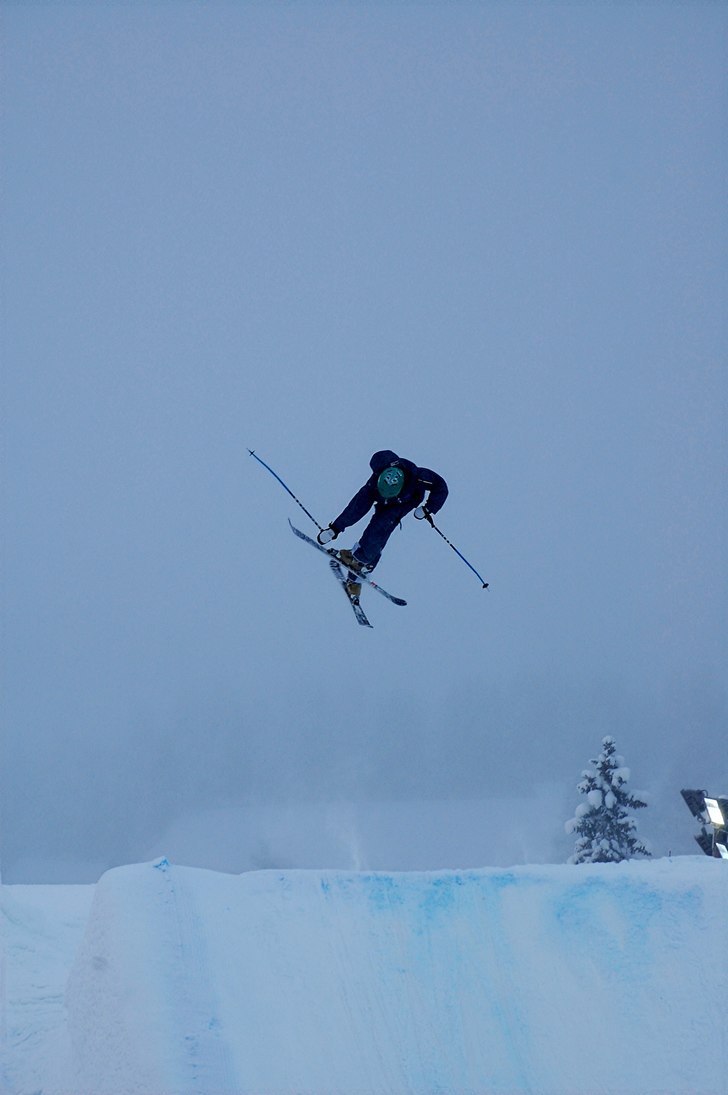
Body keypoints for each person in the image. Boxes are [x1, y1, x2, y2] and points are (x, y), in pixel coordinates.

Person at [317, 449, 448, 593]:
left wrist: (428, 509)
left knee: (382, 527)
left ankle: (360, 563)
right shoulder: (371, 488)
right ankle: (358, 559)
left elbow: (440, 486)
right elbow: (355, 509)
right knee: (376, 530)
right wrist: (335, 528)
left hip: (406, 502)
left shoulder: (417, 476)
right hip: (384, 503)